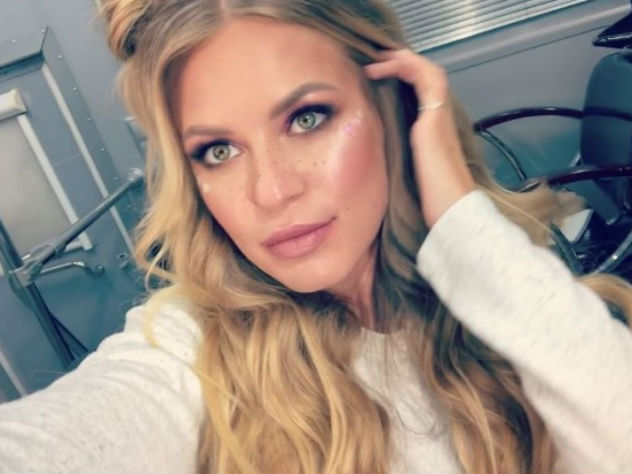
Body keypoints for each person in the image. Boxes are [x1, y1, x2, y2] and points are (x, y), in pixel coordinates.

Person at [1, 0, 631, 472]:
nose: (271, 191)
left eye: (307, 118)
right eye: (217, 150)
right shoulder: (187, 347)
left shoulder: (516, 297)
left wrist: (462, 221)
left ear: (393, 106)